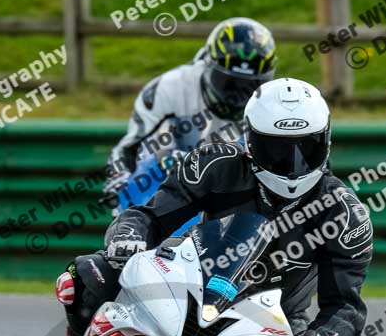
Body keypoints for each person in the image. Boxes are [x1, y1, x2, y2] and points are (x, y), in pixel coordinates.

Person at [28, 77, 373, 336]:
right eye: (278, 150)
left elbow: (347, 308)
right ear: (250, 141)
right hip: (190, 276)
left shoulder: (344, 215)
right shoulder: (213, 164)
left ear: (326, 142)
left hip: (277, 321)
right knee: (89, 275)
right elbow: (151, 215)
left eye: (307, 148)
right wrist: (127, 237)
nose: (293, 164)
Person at [102, 17, 277, 212]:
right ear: (207, 64)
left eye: (250, 85)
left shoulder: (271, 102)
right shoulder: (167, 89)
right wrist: (119, 182)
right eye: (229, 83)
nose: (237, 96)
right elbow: (130, 150)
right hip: (170, 183)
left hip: (231, 192)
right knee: (144, 174)